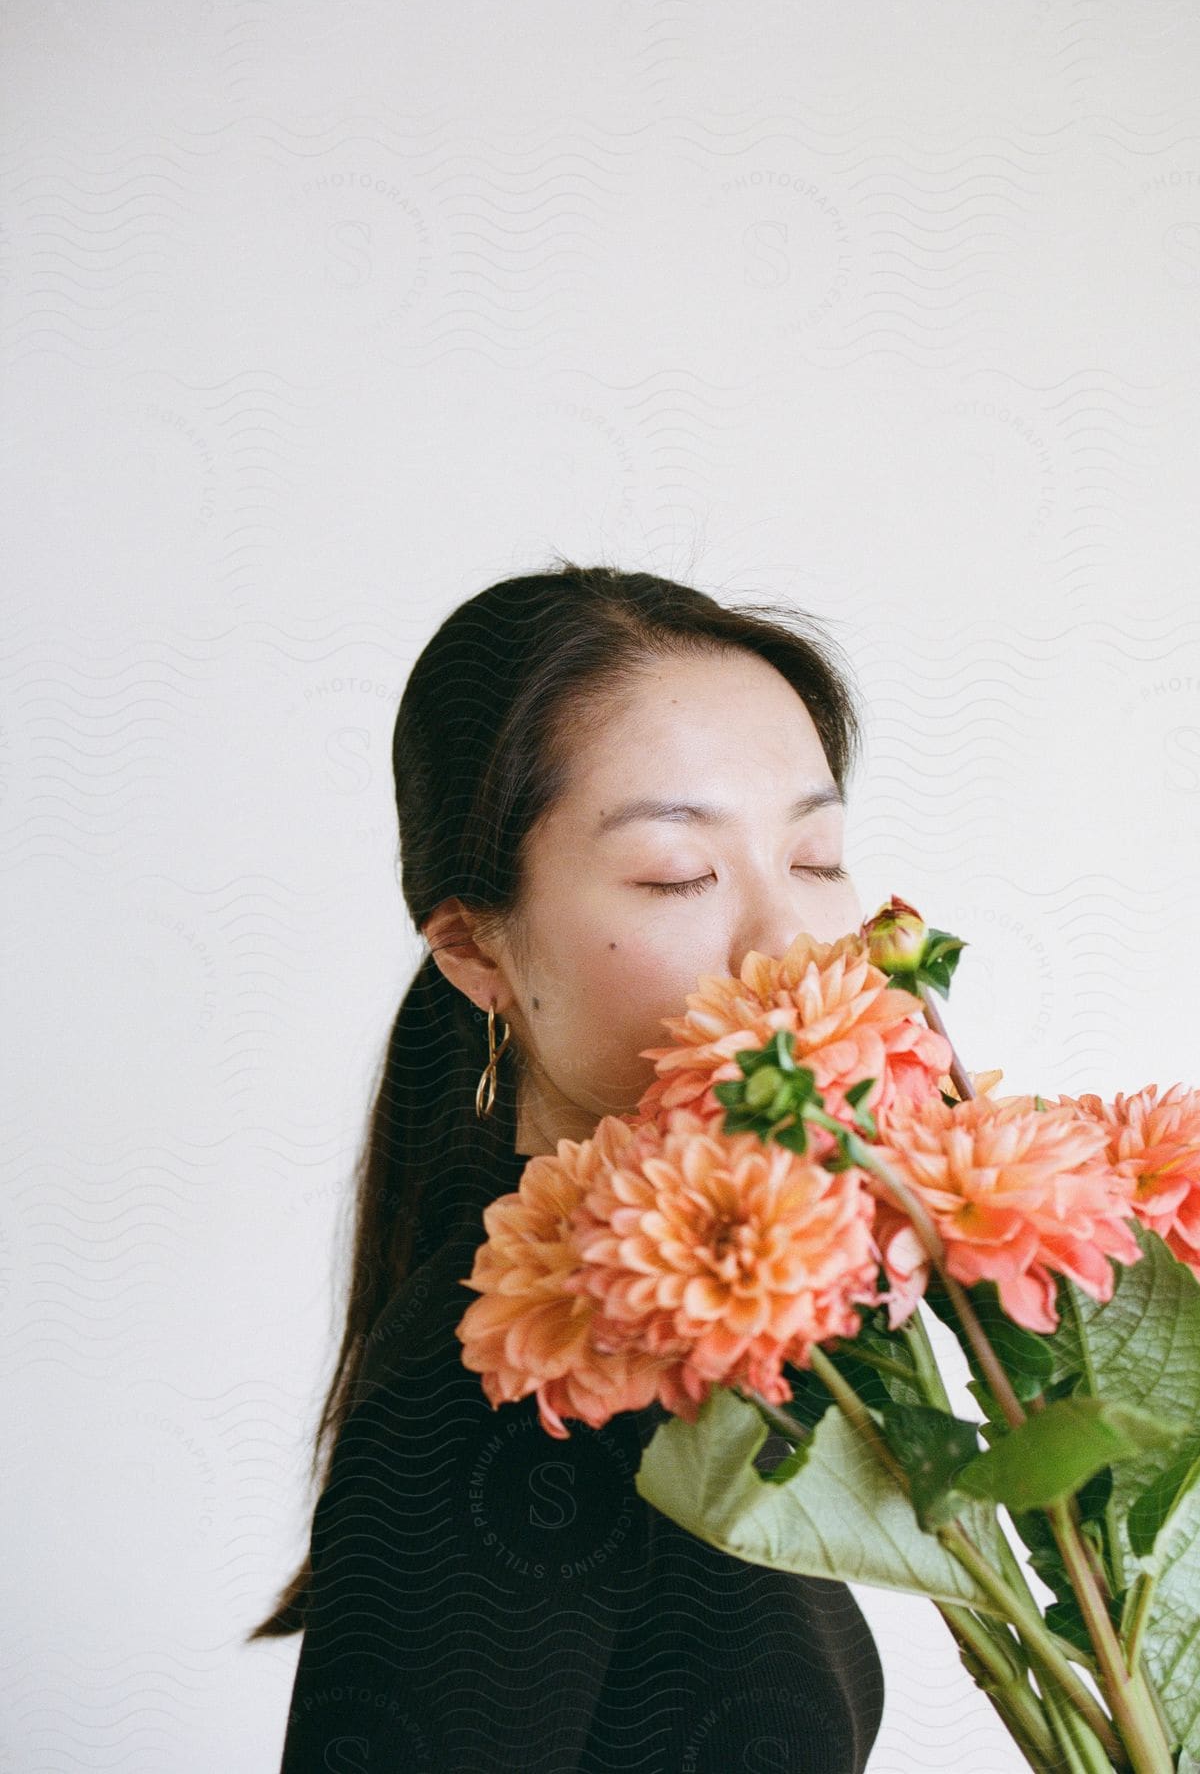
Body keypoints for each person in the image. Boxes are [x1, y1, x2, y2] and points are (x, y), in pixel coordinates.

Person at [250, 561, 886, 1771]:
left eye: (815, 859)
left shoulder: (704, 1332)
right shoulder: (496, 1383)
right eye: (676, 875)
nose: (791, 945)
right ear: (471, 948)